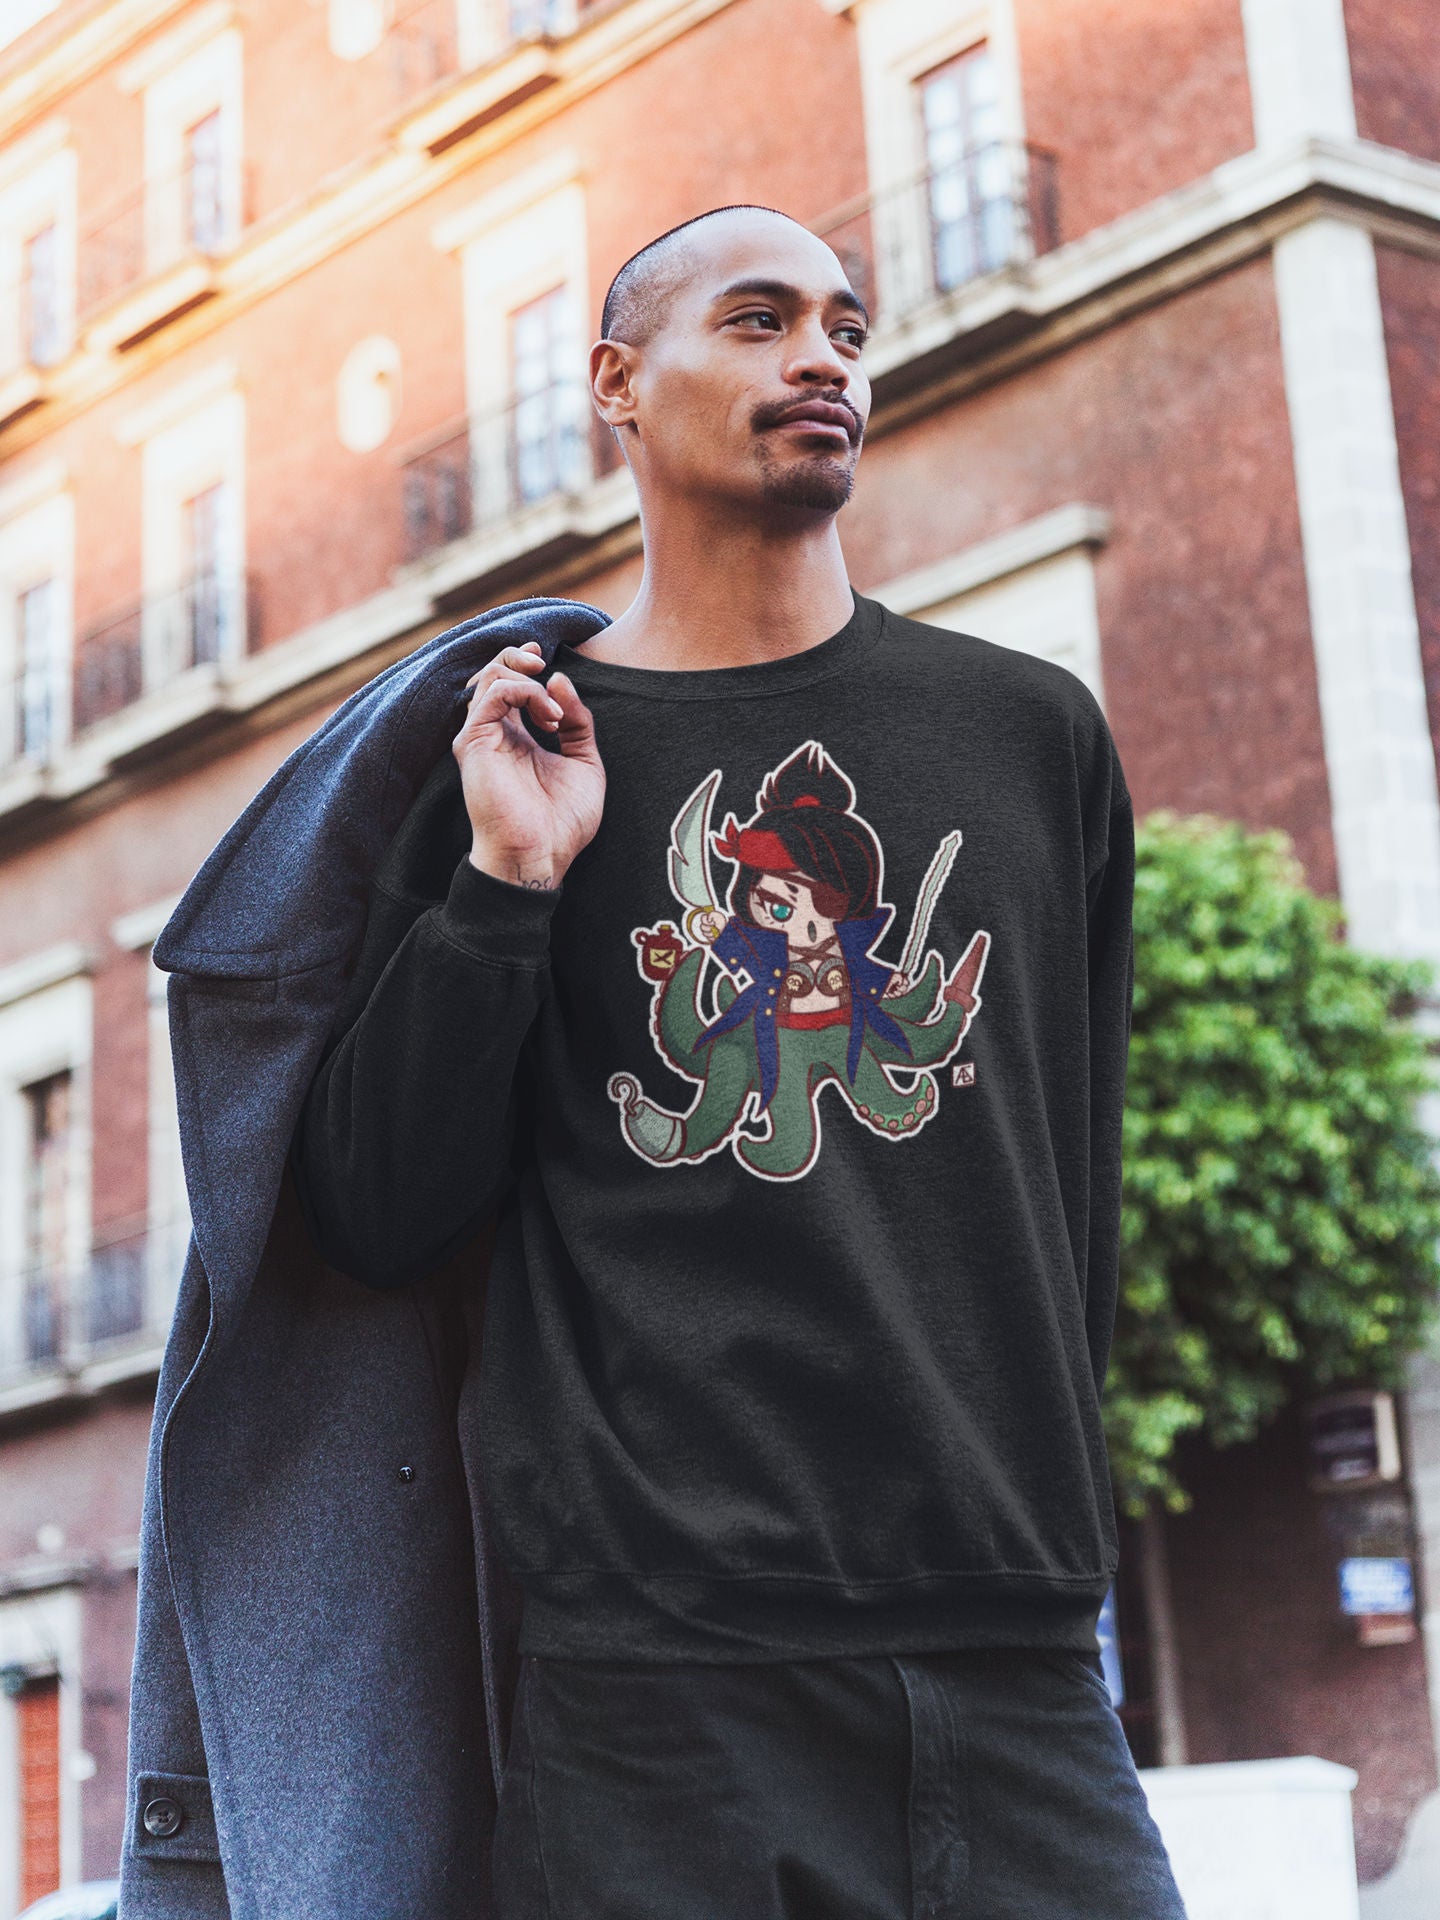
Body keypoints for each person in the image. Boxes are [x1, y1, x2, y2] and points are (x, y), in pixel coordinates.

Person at [288, 203, 1187, 1918]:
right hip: (656, 1693)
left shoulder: (1028, 734)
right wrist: (509, 883)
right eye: (760, 321)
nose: (823, 358)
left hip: (1014, 1665)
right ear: (616, 383)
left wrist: (1052, 1529)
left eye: (846, 326)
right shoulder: (520, 758)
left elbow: (1072, 1186)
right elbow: (377, 1214)